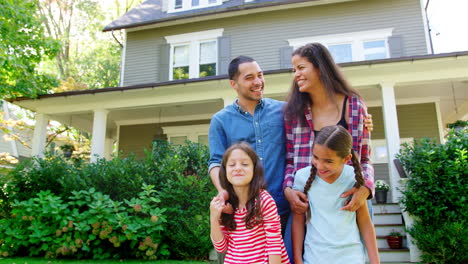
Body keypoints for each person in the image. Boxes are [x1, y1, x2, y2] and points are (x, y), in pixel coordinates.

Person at [208, 56, 293, 261]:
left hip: (283, 207)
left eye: (260, 75)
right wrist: (223, 194)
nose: (258, 81)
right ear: (234, 84)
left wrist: (361, 124)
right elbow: (216, 163)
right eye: (249, 77)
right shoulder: (221, 120)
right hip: (241, 212)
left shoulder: (283, 111)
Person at [283, 43, 374, 217]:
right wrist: (288, 189)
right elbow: (289, 161)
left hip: (348, 201)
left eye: (301, 68)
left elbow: (365, 157)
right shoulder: (293, 113)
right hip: (309, 206)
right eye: (294, 70)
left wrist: (365, 188)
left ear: (320, 67)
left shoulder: (354, 106)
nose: (296, 75)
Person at [292, 125, 379, 264]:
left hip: (351, 258)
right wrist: (297, 259)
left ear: (346, 159)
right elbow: (298, 221)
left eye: (328, 161)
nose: (319, 165)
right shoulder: (302, 177)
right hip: (314, 258)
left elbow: (365, 222)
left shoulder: (353, 178)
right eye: (316, 157)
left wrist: (375, 261)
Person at [210, 142, 290, 264]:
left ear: (255, 169)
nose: (237, 168)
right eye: (232, 164)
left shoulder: (264, 200)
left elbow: (274, 244)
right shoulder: (224, 204)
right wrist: (214, 217)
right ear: (225, 171)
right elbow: (221, 247)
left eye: (245, 164)